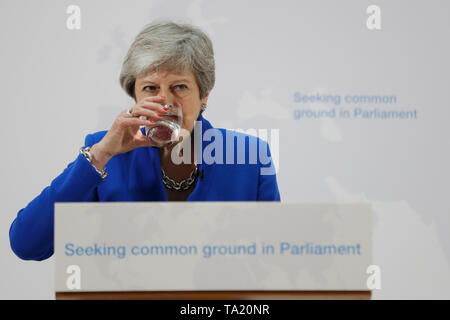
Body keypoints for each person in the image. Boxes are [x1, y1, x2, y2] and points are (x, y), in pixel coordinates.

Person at [9, 21, 280, 261]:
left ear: (204, 94)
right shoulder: (103, 151)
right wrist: (101, 155)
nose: (166, 102)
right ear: (135, 95)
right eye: (151, 88)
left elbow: (273, 259)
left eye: (180, 87)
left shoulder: (249, 156)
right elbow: (27, 244)